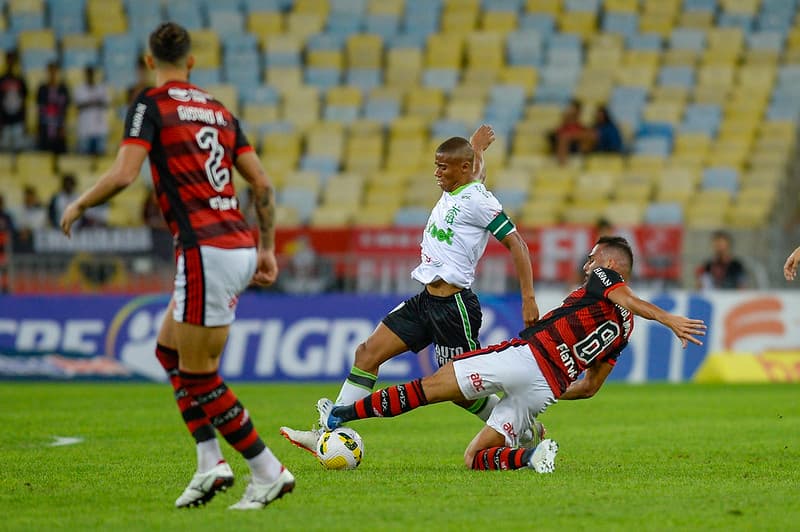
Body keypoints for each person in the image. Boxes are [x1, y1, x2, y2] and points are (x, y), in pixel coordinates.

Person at [60, 22, 293, 510]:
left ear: (150, 62)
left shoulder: (152, 103)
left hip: (205, 248)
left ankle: (267, 470)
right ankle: (211, 463)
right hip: (236, 243)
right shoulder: (219, 110)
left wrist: (80, 204)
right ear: (191, 62)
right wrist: (268, 248)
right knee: (170, 354)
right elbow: (263, 186)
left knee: (201, 376)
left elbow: (126, 172)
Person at [316, 236, 707, 473]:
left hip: (527, 356)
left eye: (591, 259)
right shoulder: (624, 329)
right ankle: (531, 458)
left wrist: (668, 318)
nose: (586, 265)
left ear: (607, 264)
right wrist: (552, 388)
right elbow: (588, 388)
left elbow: (626, 296)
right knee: (475, 458)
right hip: (547, 390)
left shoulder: (606, 279)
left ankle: (342, 415)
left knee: (433, 385)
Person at [280, 124, 542, 455]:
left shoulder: (479, 200)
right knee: (367, 353)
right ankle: (327, 432)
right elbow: (474, 170)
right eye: (436, 165)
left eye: (442, 167)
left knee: (460, 393)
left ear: (461, 168)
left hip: (454, 307)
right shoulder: (459, 188)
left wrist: (528, 299)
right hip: (424, 302)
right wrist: (477, 148)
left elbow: (517, 243)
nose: (436, 173)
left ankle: (523, 426)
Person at [74, 65, 110, 156]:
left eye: (92, 73)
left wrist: (91, 102)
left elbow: (106, 103)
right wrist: (94, 102)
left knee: (101, 159)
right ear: (85, 75)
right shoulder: (80, 89)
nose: (90, 76)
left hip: (100, 129)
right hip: (85, 130)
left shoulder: (102, 88)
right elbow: (78, 105)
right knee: (84, 159)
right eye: (88, 73)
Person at [36, 61, 70, 154]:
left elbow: (65, 109)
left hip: (59, 127)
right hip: (45, 127)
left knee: (60, 153)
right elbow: (40, 109)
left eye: (54, 71)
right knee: (44, 155)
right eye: (50, 71)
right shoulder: (42, 89)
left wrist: (62, 126)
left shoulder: (63, 89)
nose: (52, 74)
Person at [0, 50, 29, 152]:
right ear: (6, 61)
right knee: (4, 151)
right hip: (5, 120)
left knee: (19, 149)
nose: (11, 62)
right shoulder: (2, 79)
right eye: (9, 60)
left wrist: (24, 121)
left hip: (18, 119)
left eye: (13, 60)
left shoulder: (20, 80)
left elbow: (24, 100)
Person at [548, 99, 588, 165]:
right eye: (569, 108)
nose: (569, 110)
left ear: (578, 111)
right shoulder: (564, 124)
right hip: (565, 143)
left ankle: (585, 161)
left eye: (572, 108)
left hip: (576, 143)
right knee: (564, 137)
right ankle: (562, 164)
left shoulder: (580, 125)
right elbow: (557, 133)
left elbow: (582, 133)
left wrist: (573, 135)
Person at [12, 185, 47, 252]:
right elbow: (16, 224)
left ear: (35, 197)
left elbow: (39, 226)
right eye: (27, 196)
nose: (29, 198)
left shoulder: (41, 212)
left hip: (36, 240)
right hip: (20, 238)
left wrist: (28, 231)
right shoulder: (18, 210)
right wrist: (23, 231)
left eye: (31, 196)